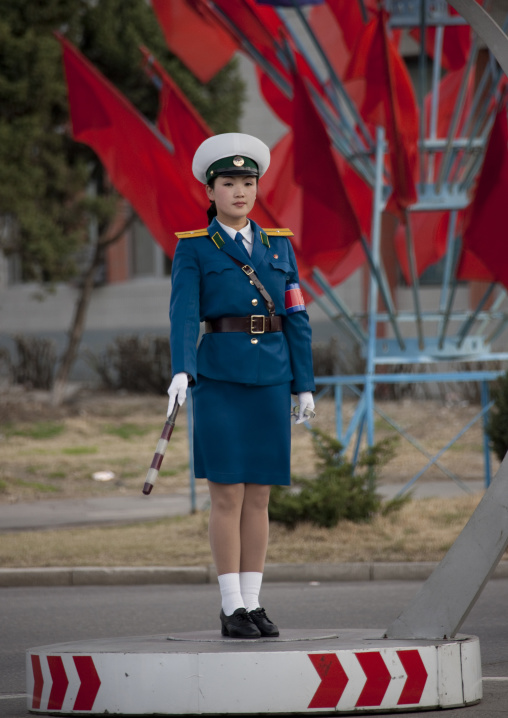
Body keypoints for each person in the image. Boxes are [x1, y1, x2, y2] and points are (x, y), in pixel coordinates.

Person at [167, 132, 315, 639]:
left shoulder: (279, 245)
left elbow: (296, 316)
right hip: (221, 380)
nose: (239, 192)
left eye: (247, 182)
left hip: (272, 379)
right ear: (211, 191)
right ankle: (230, 606)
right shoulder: (195, 249)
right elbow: (184, 315)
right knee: (227, 495)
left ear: (257, 188)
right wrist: (181, 370)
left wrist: (305, 385)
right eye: (228, 183)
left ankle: (253, 603)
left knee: (260, 498)